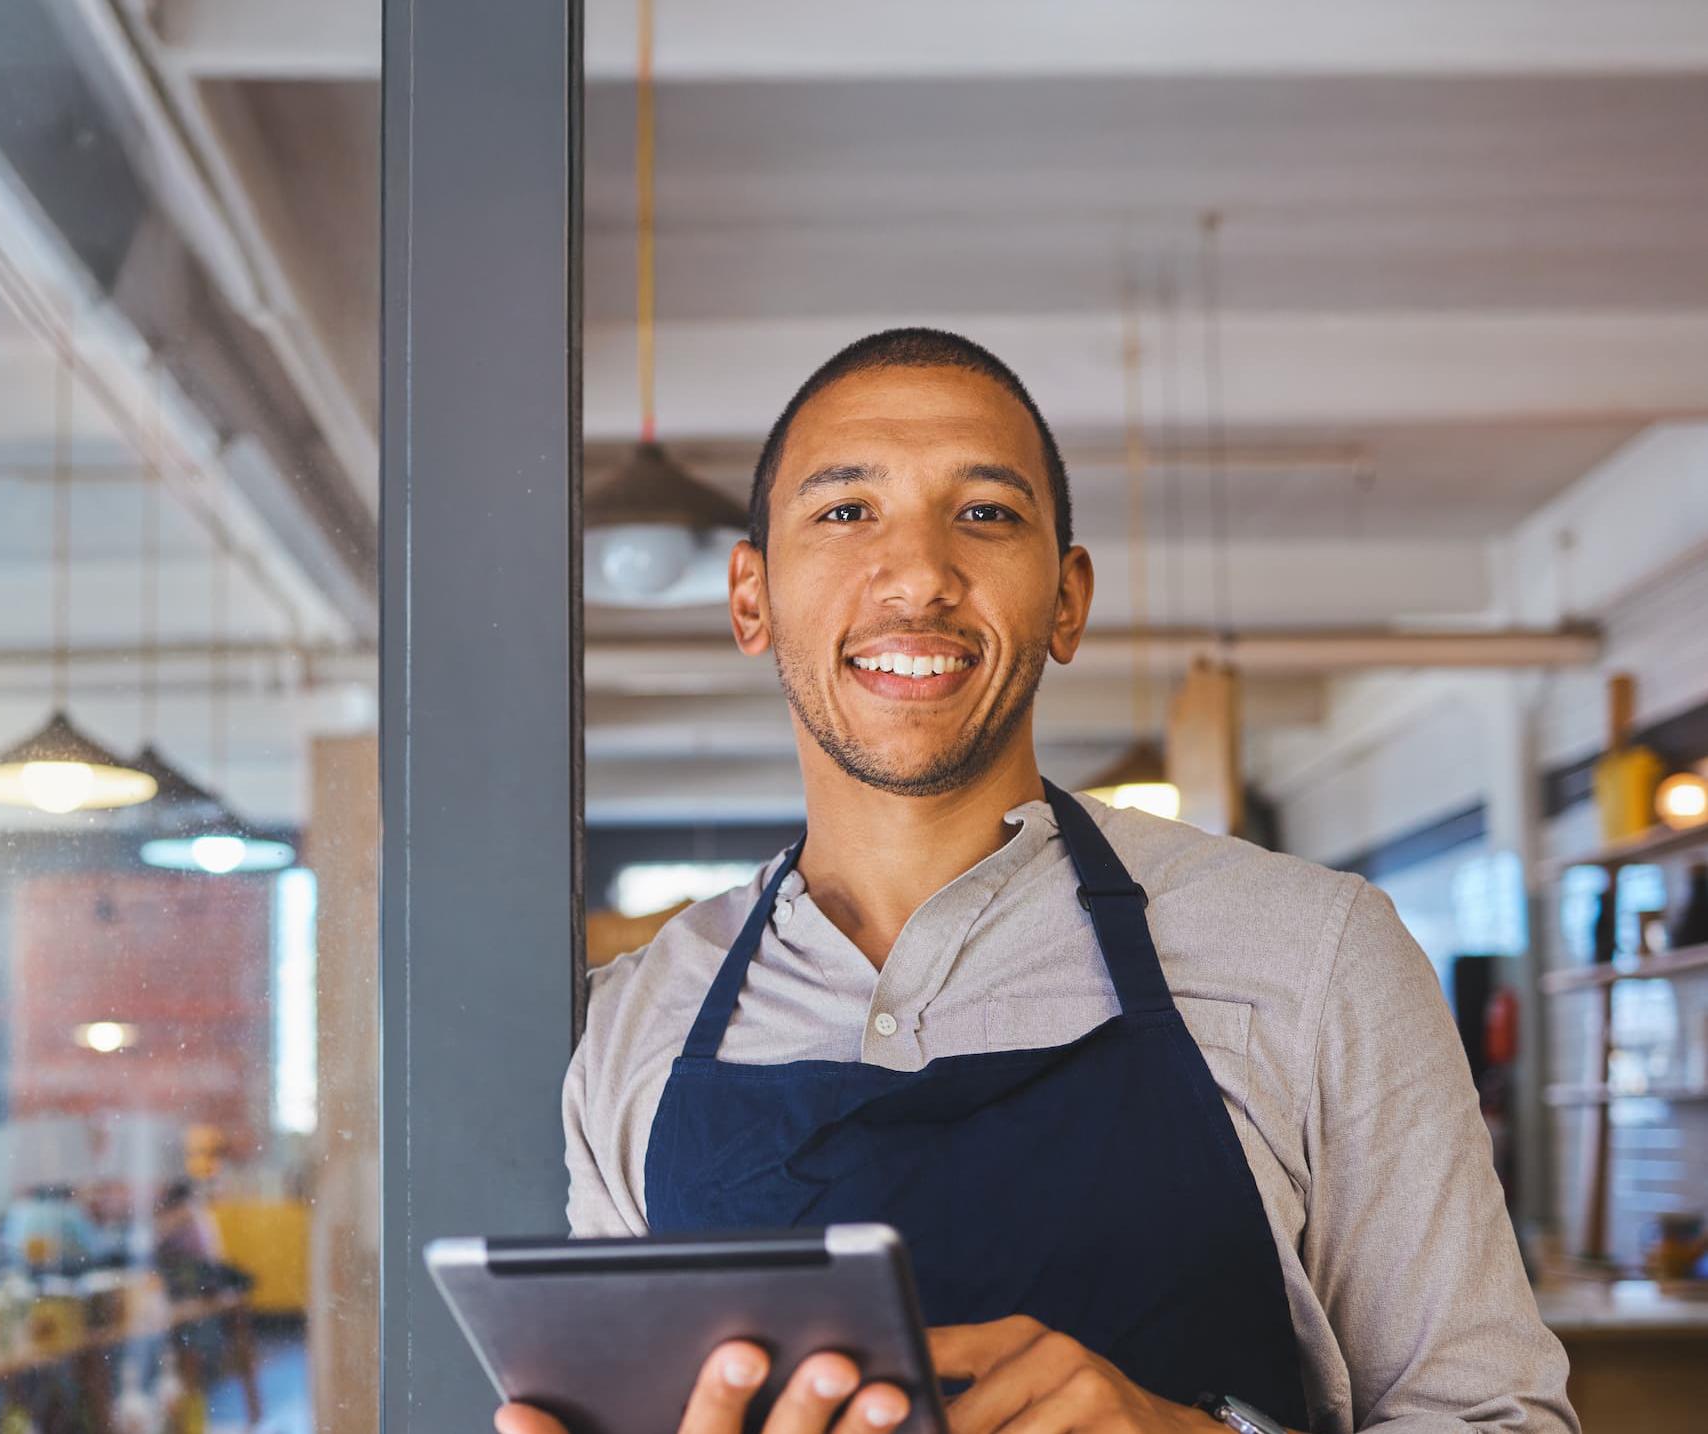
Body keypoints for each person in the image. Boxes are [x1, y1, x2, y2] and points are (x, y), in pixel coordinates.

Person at [499, 330, 1576, 1434]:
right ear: (750, 599)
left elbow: (1504, 1421)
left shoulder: (1319, 955)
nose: (920, 573)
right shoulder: (634, 1022)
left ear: (1066, 600)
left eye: (985, 513)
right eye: (846, 511)